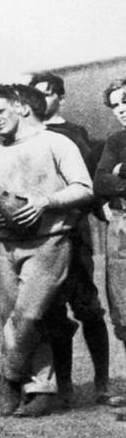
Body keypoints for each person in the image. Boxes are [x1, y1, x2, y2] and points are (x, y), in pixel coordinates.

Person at [0, 84, 93, 417]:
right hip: (5, 244)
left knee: (29, 315)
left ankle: (9, 380)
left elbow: (84, 188)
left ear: (21, 107)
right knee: (10, 317)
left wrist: (45, 202)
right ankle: (40, 388)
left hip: (48, 241)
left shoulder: (56, 143)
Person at [31, 71, 111, 404]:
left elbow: (93, 182)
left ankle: (102, 383)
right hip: (40, 235)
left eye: (48, 93)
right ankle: (63, 386)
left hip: (74, 233)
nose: (41, 100)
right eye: (35, 94)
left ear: (61, 97)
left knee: (87, 307)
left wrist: (101, 209)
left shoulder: (76, 134)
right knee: (51, 310)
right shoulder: (27, 135)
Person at [93, 77, 126, 412]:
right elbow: (101, 181)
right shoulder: (116, 141)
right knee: (123, 308)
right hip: (122, 227)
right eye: (115, 105)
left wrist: (121, 171)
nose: (121, 110)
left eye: (125, 101)